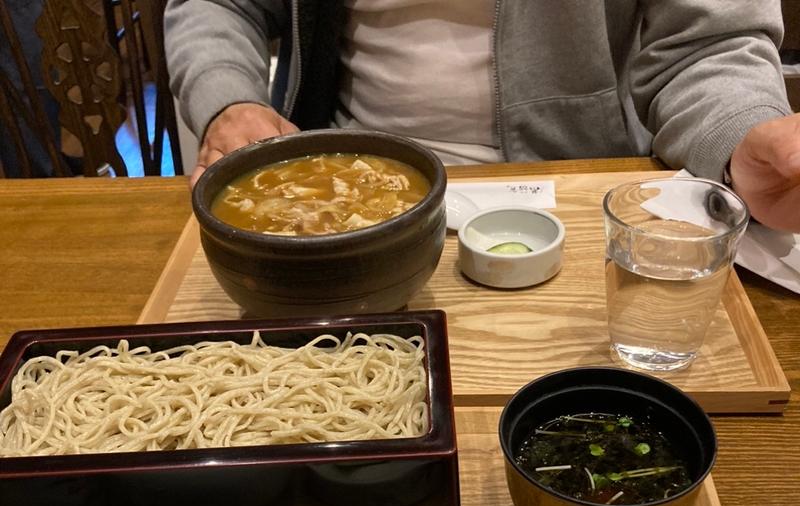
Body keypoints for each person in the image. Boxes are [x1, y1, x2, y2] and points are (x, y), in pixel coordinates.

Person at [164, 1, 800, 232]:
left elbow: (709, 43)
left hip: (579, 193)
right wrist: (230, 99)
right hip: (334, 190)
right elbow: (220, 5)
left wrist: (742, 128)